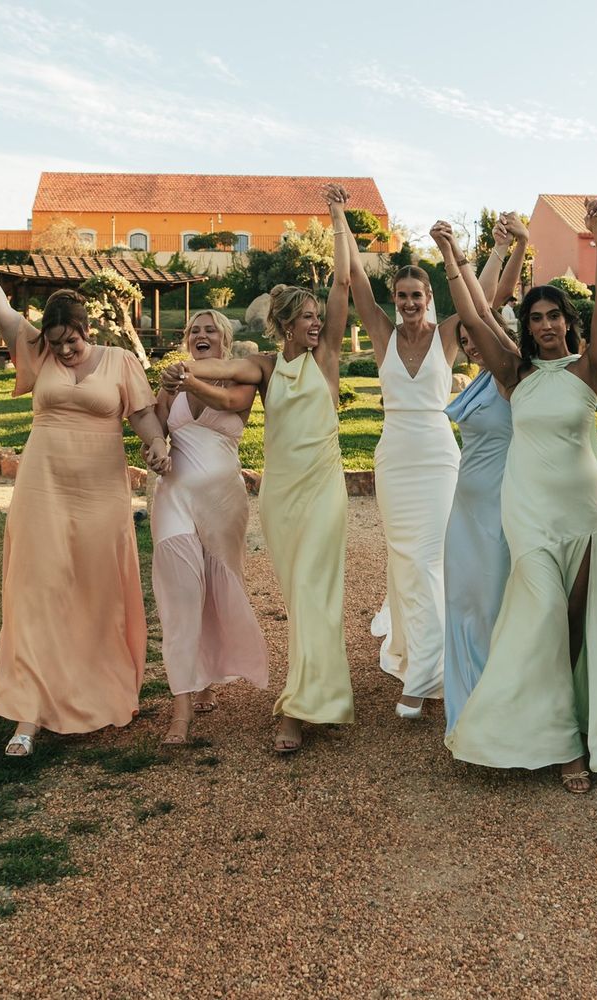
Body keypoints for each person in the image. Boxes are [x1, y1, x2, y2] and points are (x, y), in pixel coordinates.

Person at [434, 201, 597, 793]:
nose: (544, 324)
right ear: (528, 326)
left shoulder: (589, 369)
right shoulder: (514, 375)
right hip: (529, 514)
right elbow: (473, 312)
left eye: (554, 316)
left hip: (584, 514)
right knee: (540, 617)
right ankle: (561, 746)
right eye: (536, 317)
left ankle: (595, 728)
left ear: (568, 322)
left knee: (583, 622)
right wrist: (451, 257)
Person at [0, 203, 171, 757]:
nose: (64, 349)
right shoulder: (37, 350)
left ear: (86, 329)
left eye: (71, 339)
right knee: (37, 592)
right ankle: (28, 716)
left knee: (96, 594)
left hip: (101, 494)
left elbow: (145, 419)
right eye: (55, 342)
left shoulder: (121, 362)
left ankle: (92, 693)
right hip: (43, 491)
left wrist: (158, 446)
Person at [163, 184, 353, 753]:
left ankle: (298, 709)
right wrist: (185, 376)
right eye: (307, 318)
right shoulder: (265, 367)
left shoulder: (329, 359)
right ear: (285, 323)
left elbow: (344, 282)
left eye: (319, 317)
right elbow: (222, 377)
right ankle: (317, 690)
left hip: (324, 490)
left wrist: (338, 217)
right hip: (282, 496)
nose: (317, 324)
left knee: (318, 592)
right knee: (298, 596)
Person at [347, 212, 506, 718]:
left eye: (418, 295)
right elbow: (353, 280)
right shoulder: (382, 333)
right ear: (393, 300)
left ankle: (425, 675)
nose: (410, 303)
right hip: (394, 456)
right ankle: (421, 650)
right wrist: (338, 221)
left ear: (429, 298)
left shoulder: (448, 334)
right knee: (406, 559)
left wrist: (480, 248)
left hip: (438, 455)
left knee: (431, 559)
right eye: (402, 296)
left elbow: (487, 299)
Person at [150, 309, 269, 746]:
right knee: (181, 596)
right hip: (173, 498)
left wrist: (186, 380)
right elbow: (156, 428)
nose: (201, 335)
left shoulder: (242, 379)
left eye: (210, 330)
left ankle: (206, 678)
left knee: (217, 592)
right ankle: (180, 711)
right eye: (194, 331)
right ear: (187, 338)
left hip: (223, 504)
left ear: (224, 339)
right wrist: (156, 446)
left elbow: (230, 405)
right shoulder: (171, 383)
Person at [443, 214, 529, 734]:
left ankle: (502, 718)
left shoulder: (511, 373)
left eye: (483, 338)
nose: (474, 342)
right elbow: (482, 310)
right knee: (463, 605)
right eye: (470, 341)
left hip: (501, 512)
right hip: (464, 511)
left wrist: (462, 255)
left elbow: (485, 307)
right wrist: (460, 253)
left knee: (496, 608)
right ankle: (466, 715)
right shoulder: (480, 378)